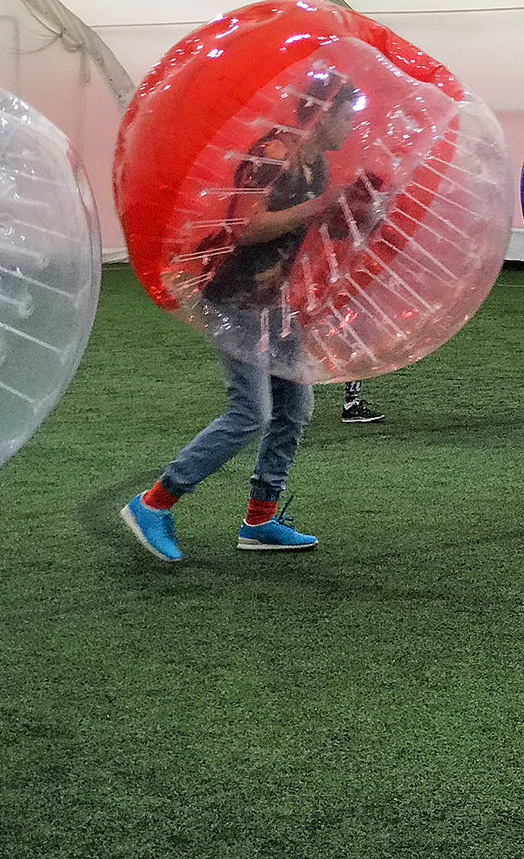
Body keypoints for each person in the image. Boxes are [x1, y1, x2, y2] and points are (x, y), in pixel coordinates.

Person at [120, 69, 362, 561]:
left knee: (294, 409)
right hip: (233, 295)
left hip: (276, 301)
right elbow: (244, 228)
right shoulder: (273, 155)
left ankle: (259, 521)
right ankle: (153, 503)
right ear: (323, 111)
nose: (351, 127)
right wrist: (320, 205)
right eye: (347, 115)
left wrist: (354, 214)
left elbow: (303, 230)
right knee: (250, 412)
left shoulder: (316, 165)